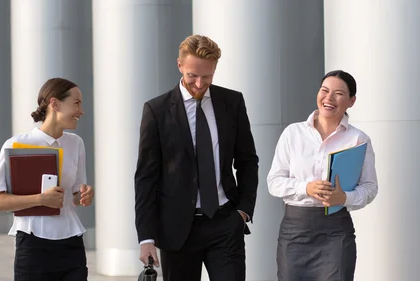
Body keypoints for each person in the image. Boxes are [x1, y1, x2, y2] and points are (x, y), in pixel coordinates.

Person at [134, 34, 259, 281]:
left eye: (207, 76)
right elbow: (146, 178)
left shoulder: (232, 102)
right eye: (193, 75)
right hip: (177, 229)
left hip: (225, 223)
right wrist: (146, 238)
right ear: (180, 65)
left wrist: (243, 210)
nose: (200, 83)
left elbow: (247, 161)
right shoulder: (156, 110)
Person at [267, 70, 378, 281]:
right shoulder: (293, 133)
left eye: (338, 93)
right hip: (294, 232)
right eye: (325, 90)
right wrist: (305, 188)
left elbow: (370, 188)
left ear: (351, 101)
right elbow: (274, 182)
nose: (329, 98)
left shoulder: (358, 139)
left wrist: (344, 198)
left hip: (336, 232)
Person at [0, 78, 94, 281]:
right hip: (33, 247)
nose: (81, 110)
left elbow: (76, 196)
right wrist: (40, 199)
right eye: (76, 103)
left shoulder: (76, 143)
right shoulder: (17, 144)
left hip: (72, 246)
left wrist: (86, 195)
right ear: (55, 104)